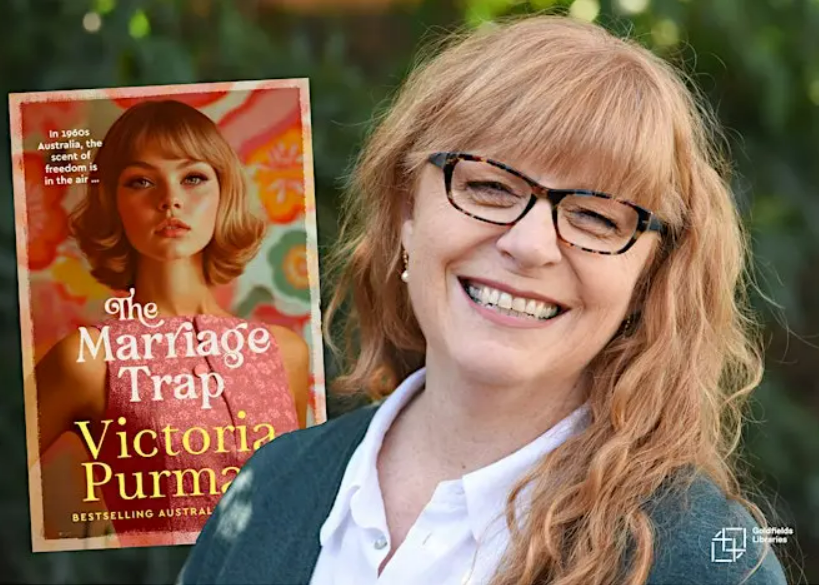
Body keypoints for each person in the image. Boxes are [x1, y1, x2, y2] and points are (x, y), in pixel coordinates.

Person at [177, 15, 789, 585]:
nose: (529, 245)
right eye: (490, 185)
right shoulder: (271, 484)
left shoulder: (704, 560)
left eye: (598, 218)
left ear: (650, 277)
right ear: (406, 211)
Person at [34, 99, 309, 544]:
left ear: (224, 192)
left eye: (194, 177)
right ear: (112, 201)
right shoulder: (89, 359)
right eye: (141, 181)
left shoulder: (284, 352)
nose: (170, 200)